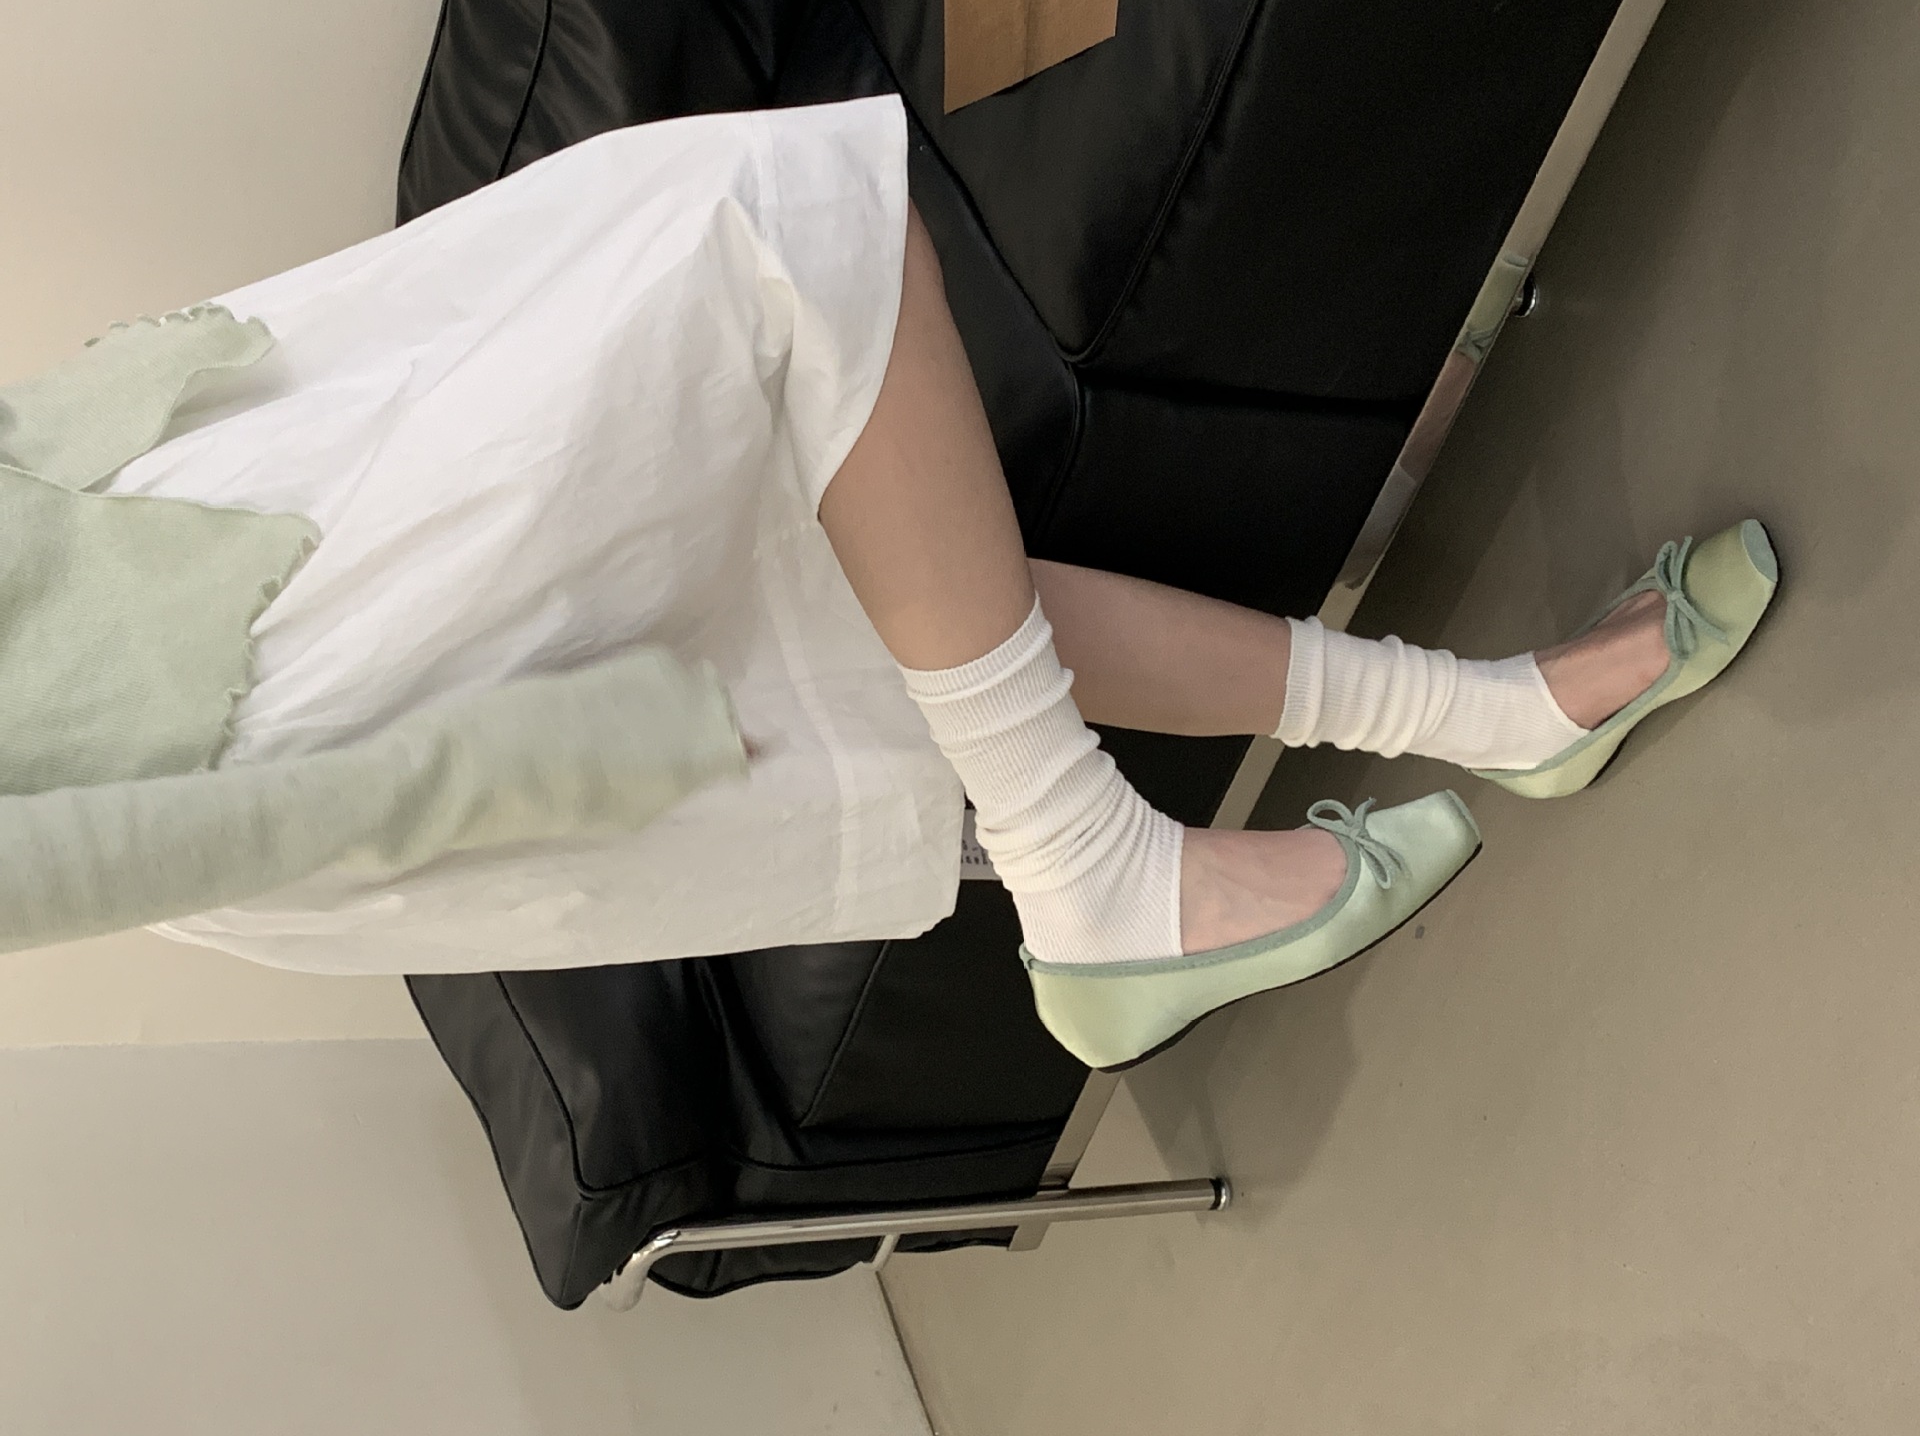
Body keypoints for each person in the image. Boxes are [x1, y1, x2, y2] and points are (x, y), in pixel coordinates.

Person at [2, 96, 1777, 1069]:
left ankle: (1497, 716)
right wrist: (401, 795)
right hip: (196, 718)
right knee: (764, 230)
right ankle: (1092, 871)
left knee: (902, 599)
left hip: (155, 477)